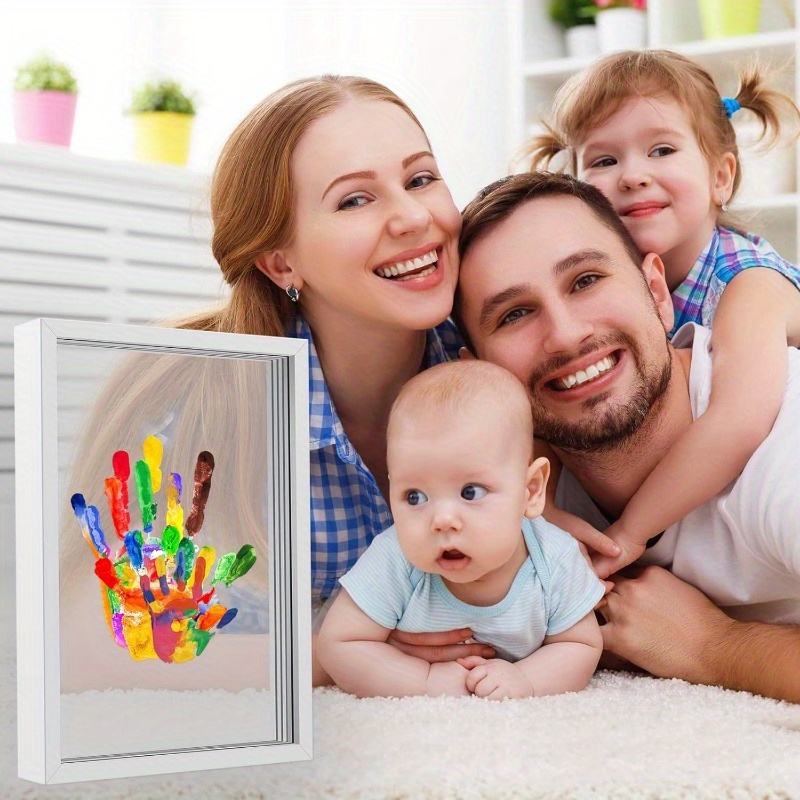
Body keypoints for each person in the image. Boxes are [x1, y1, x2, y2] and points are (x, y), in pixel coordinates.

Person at [60, 75, 493, 692]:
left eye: (421, 179)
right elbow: (89, 641)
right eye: (354, 200)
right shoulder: (194, 400)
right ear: (280, 261)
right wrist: (343, 653)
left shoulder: (490, 352)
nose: (413, 216)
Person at [454, 171, 800, 703]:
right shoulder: (527, 497)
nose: (567, 334)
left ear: (658, 292)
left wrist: (714, 645)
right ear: (479, 371)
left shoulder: (780, 436)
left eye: (586, 280)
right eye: (515, 314)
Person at [524, 50, 800, 578]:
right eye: (604, 161)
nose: (632, 175)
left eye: (662, 150)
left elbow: (737, 422)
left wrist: (628, 535)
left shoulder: (748, 284)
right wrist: (545, 509)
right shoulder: (603, 293)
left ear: (721, 178)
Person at [318, 359, 603, 699]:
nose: (441, 520)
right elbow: (340, 643)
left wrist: (526, 680)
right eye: (415, 496)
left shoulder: (554, 557)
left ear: (530, 491)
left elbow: (581, 643)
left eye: (471, 492)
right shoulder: (395, 557)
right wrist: (422, 680)